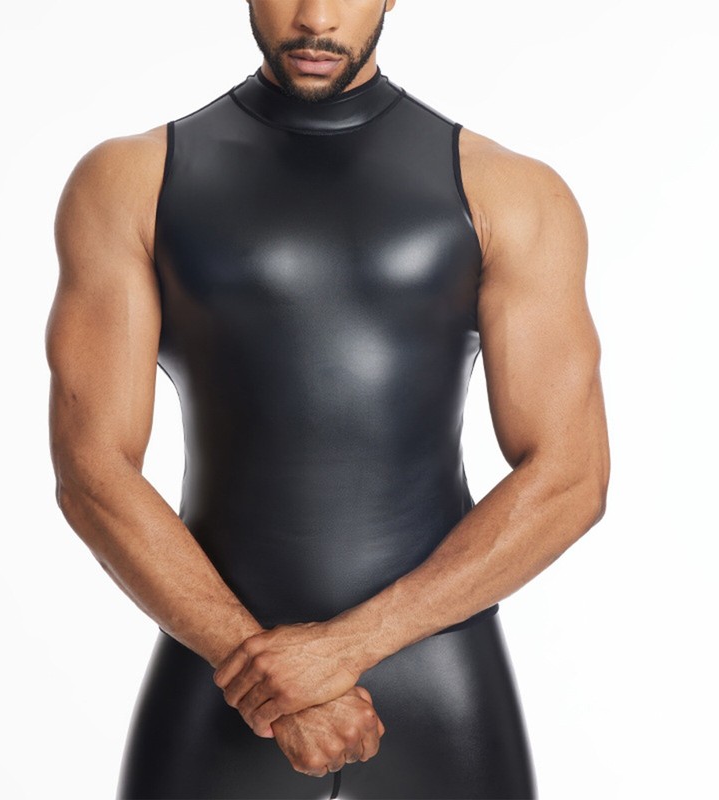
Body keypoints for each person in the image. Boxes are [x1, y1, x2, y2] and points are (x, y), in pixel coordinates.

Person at [46, 1, 610, 797]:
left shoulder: (509, 192)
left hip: (436, 689)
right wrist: (263, 667)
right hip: (218, 678)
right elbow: (92, 471)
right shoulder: (132, 182)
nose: (314, 17)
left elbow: (570, 478)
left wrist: (339, 652)